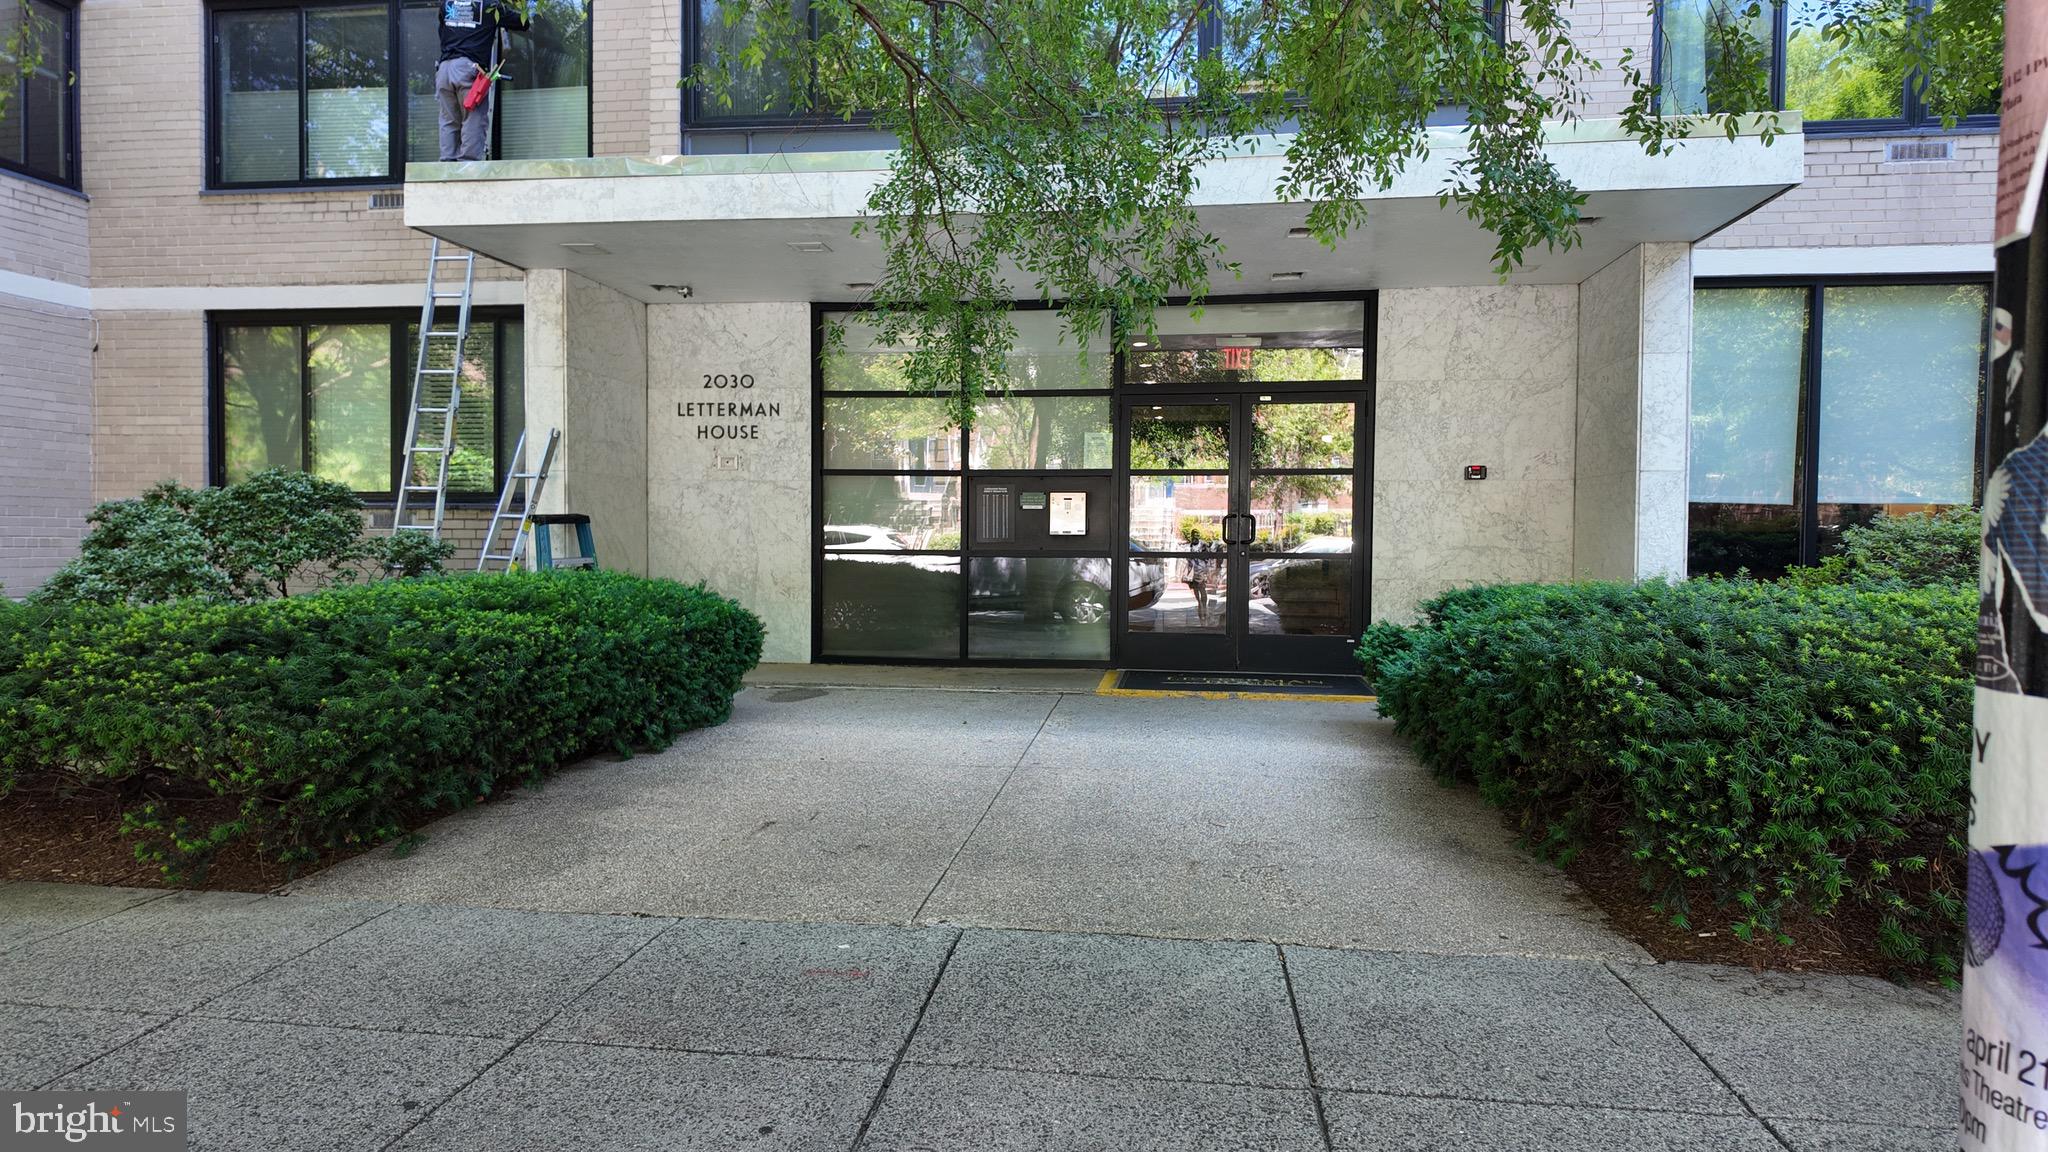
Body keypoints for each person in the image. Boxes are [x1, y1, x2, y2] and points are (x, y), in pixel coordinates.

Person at [436, 1, 529, 162]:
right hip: (468, 68)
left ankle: (447, 166)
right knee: (473, 118)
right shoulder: (490, 5)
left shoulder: (446, 4)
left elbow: (442, 32)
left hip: (444, 69)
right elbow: (523, 22)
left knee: (448, 120)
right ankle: (468, 166)